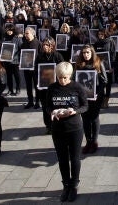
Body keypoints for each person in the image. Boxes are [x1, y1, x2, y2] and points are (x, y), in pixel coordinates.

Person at [45, 62, 87, 202]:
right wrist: (52, 111)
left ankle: (74, 185)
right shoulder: (52, 88)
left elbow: (85, 106)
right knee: (62, 159)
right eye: (59, 77)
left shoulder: (77, 87)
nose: (62, 80)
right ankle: (66, 185)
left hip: (74, 127)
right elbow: (47, 105)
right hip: (57, 129)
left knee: (75, 158)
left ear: (70, 76)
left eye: (65, 77)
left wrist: (75, 111)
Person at [74, 45, 107, 154]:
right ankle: (88, 141)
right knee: (85, 119)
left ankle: (94, 142)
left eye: (88, 52)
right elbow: (75, 80)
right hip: (83, 97)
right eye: (84, 53)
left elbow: (104, 81)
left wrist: (97, 93)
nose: (86, 55)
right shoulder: (79, 64)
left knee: (94, 118)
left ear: (92, 52)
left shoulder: (98, 63)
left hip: (96, 96)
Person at [35, 36, 64, 134]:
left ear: (52, 45)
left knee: (56, 105)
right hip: (43, 87)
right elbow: (36, 71)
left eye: (47, 45)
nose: (44, 47)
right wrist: (38, 82)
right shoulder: (40, 56)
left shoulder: (57, 56)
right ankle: (48, 125)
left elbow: (63, 70)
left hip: (55, 86)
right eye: (43, 45)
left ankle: (57, 124)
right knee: (45, 107)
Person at [21, 27, 40, 109]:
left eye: (27, 33)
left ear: (33, 34)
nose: (26, 35)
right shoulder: (23, 44)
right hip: (26, 68)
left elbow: (41, 56)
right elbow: (21, 55)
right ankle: (30, 101)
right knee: (28, 86)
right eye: (25, 33)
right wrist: (21, 63)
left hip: (35, 69)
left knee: (36, 86)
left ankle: (37, 102)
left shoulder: (38, 43)